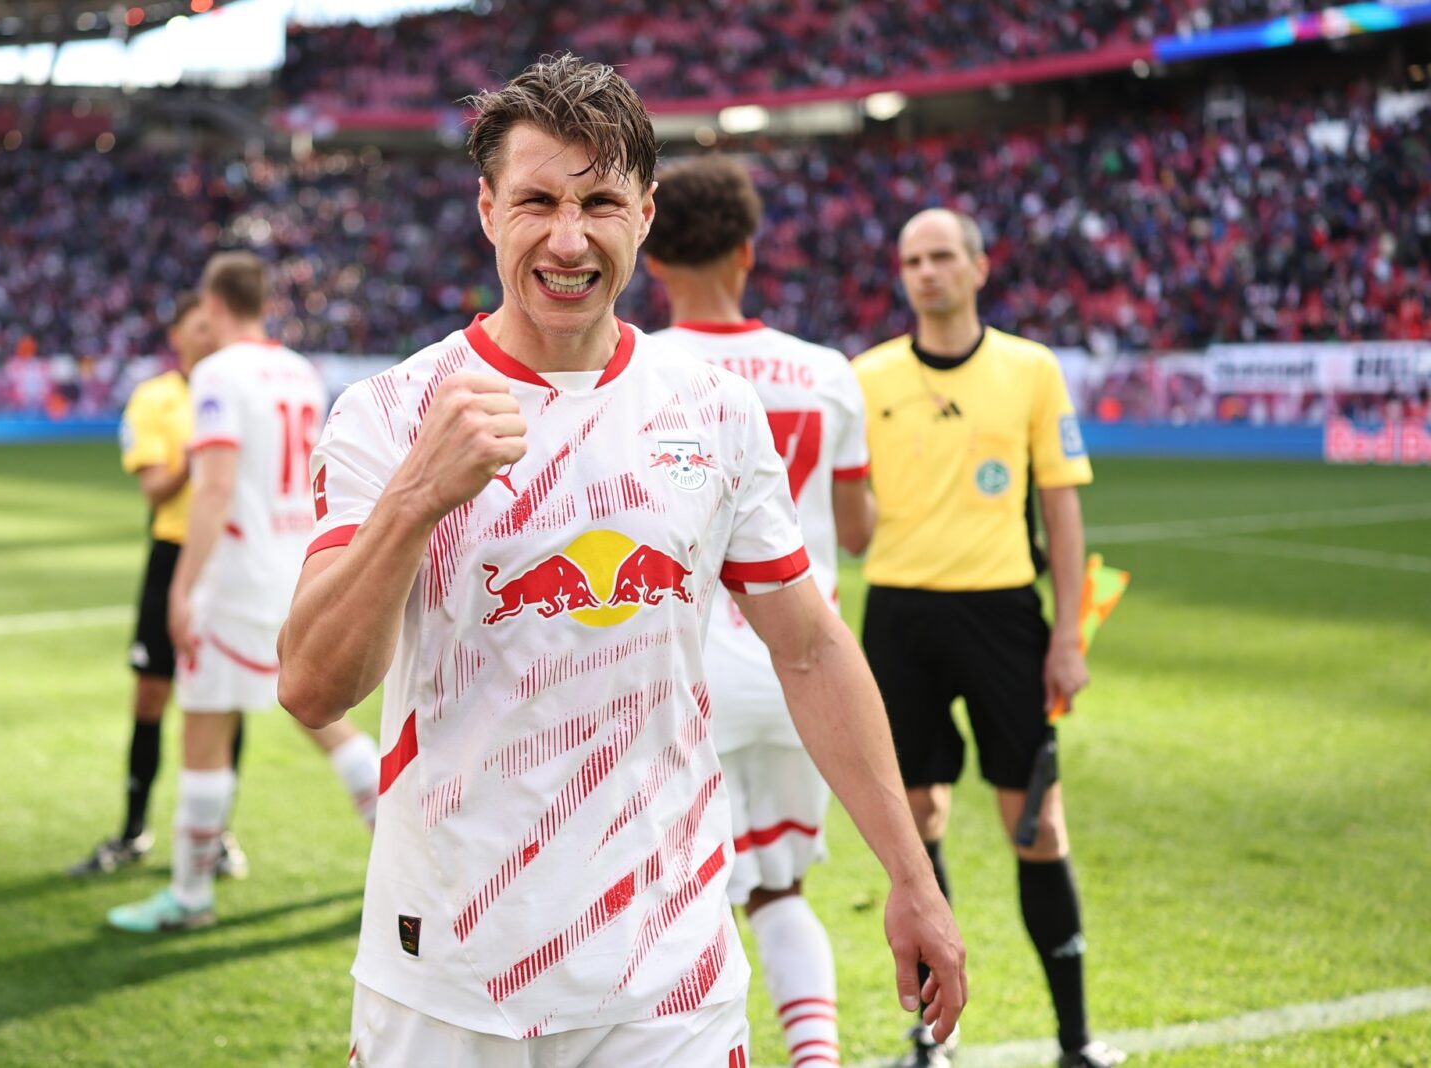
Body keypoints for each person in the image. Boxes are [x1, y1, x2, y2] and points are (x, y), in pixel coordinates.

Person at [277, 55, 965, 1068]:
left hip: (667, 977)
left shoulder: (712, 410)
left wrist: (911, 876)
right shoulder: (390, 412)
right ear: (487, 210)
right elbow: (311, 684)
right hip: (449, 976)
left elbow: (811, 648)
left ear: (644, 214)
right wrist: (417, 497)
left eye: (599, 203)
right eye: (537, 202)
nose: (568, 239)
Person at [852, 208, 1123, 1068]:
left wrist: (1068, 639)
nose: (926, 272)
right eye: (912, 260)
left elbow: (1062, 512)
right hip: (899, 617)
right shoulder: (865, 377)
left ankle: (1075, 1041)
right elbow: (850, 521)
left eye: (941, 256)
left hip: (1005, 617)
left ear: (978, 267)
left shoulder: (1031, 370)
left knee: (1035, 823)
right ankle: (933, 1038)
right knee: (917, 822)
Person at [641, 154, 877, 1068]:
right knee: (782, 891)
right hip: (804, 669)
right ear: (749, 250)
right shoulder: (827, 372)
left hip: (686, 675)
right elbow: (857, 531)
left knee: (675, 903)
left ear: (653, 258)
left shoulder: (640, 370)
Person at [106, 252, 381, 933]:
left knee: (205, 729)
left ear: (212, 304)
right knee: (326, 723)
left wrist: (182, 588)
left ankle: (190, 895)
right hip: (292, 567)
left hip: (234, 576)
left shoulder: (218, 374)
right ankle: (406, 860)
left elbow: (216, 488)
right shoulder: (300, 371)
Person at [69, 292, 249, 880]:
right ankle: (133, 831)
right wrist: (201, 453)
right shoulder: (156, 398)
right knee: (150, 694)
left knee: (226, 697)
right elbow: (153, 489)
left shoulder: (241, 391)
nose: (209, 335)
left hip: (230, 556)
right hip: (172, 553)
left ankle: (215, 836)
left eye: (214, 325)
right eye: (198, 326)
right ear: (177, 335)